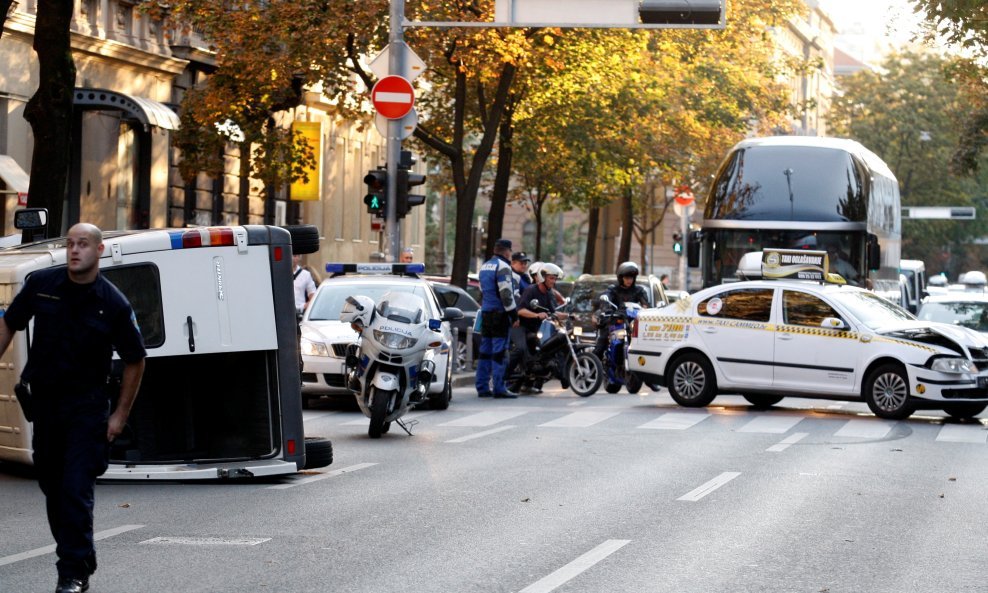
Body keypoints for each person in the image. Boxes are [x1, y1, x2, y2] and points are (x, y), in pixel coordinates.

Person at [0, 223, 147, 593]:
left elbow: (135, 359)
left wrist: (120, 415)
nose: (74, 250)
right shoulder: (41, 285)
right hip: (46, 406)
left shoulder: (113, 303)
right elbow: (9, 324)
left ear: (99, 251)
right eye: (70, 244)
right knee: (52, 485)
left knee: (76, 489)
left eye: (83, 244)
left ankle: (72, 572)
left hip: (87, 408)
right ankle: (80, 554)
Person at [512, 263, 567, 393]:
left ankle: (533, 380)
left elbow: (553, 312)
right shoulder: (531, 290)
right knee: (520, 349)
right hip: (521, 327)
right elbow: (520, 310)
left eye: (555, 278)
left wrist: (569, 315)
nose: (553, 281)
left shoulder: (548, 293)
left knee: (544, 352)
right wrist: (536, 315)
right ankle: (503, 376)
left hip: (536, 329)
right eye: (551, 278)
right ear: (543, 278)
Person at [476, 238, 519, 399]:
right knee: (499, 352)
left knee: (485, 351)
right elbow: (506, 293)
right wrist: (513, 314)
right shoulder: (503, 267)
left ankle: (482, 387)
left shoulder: (485, 266)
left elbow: (482, 291)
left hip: (486, 312)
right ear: (507, 252)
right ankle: (499, 388)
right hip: (499, 314)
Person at [594, 261, 649, 360]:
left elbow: (645, 304)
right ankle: (593, 366)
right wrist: (607, 309)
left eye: (631, 278)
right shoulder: (613, 290)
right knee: (602, 341)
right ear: (621, 278)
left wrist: (645, 308)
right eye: (627, 278)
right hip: (615, 321)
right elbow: (606, 301)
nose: (629, 280)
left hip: (632, 324)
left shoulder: (639, 290)